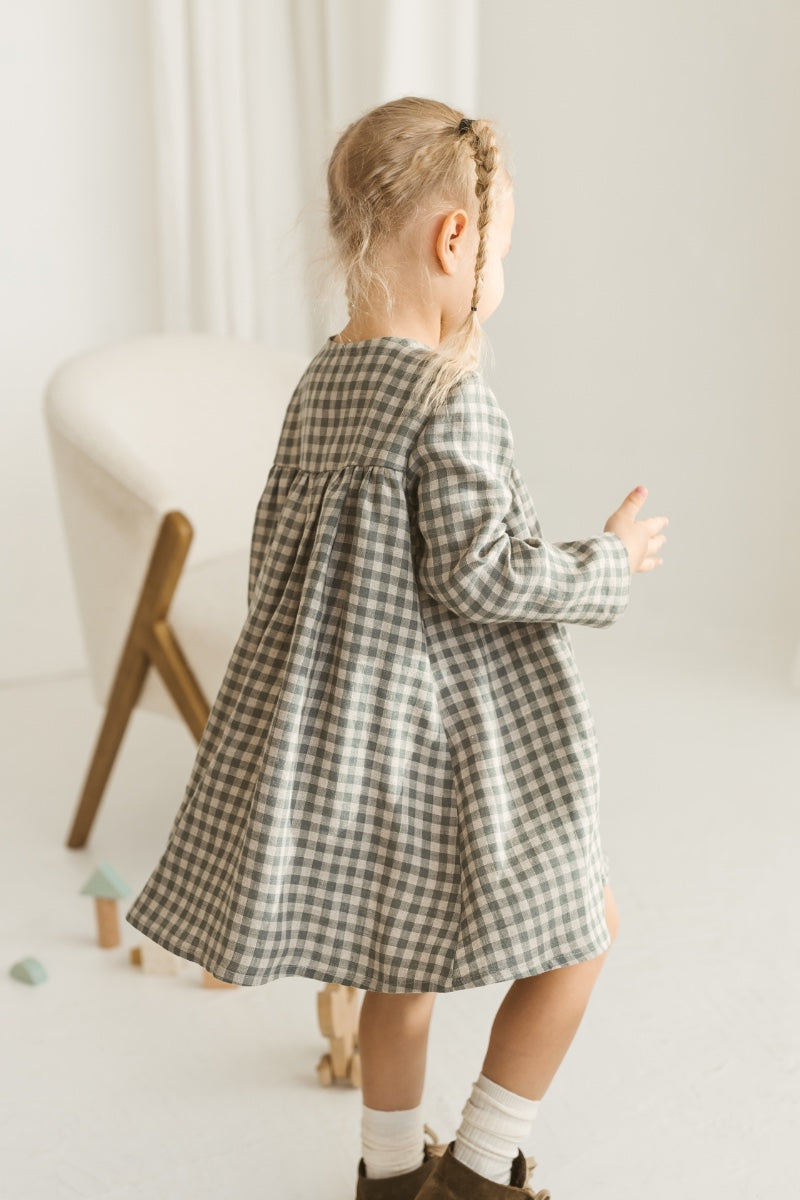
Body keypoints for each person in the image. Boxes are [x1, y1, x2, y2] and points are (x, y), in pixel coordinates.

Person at [125, 96, 668, 1200]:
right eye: (499, 256)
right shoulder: (446, 395)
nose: (497, 284)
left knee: (394, 964)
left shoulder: (320, 382)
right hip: (445, 742)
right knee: (584, 930)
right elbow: (485, 572)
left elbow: (286, 545)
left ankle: (384, 1175)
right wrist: (604, 560)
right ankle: (476, 1166)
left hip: (350, 740)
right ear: (450, 241)